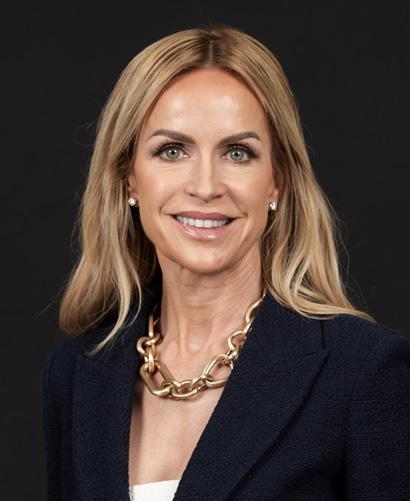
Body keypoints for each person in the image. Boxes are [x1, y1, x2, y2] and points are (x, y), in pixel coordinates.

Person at [42, 24, 410, 501]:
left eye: (238, 153)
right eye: (172, 150)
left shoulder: (363, 371)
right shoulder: (75, 377)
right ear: (128, 178)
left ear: (276, 181)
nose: (205, 186)